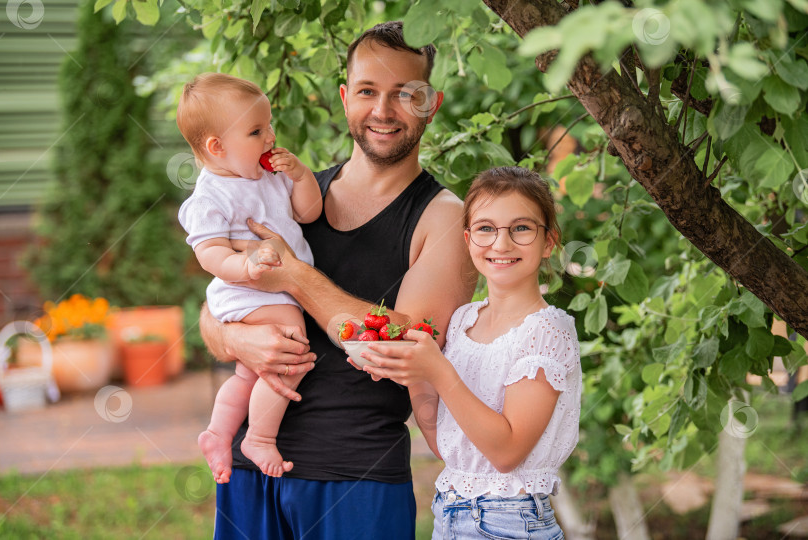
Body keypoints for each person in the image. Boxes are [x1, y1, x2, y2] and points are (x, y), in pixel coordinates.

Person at [199, 22, 477, 540]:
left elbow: (408, 346)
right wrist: (238, 338)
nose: (383, 110)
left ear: (432, 103)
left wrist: (297, 277)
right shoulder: (289, 193)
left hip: (355, 480)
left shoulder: (443, 220)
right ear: (346, 98)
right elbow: (215, 309)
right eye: (368, 91)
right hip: (247, 467)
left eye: (405, 94)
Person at [361, 167, 582, 539]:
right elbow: (446, 443)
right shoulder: (464, 319)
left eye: (521, 228)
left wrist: (439, 371)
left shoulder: (547, 331)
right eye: (485, 228)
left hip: (511, 522)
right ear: (467, 239)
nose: (501, 244)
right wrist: (410, 370)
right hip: (450, 511)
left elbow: (507, 453)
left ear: (549, 242)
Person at [176, 73, 323, 483]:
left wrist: (300, 176)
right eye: (256, 131)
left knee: (248, 373)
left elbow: (309, 213)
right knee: (291, 345)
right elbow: (211, 254)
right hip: (245, 291)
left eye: (269, 125)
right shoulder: (210, 198)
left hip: (270, 288)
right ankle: (259, 436)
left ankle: (218, 433)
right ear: (216, 147)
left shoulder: (271, 176)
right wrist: (246, 266)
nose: (270, 136)